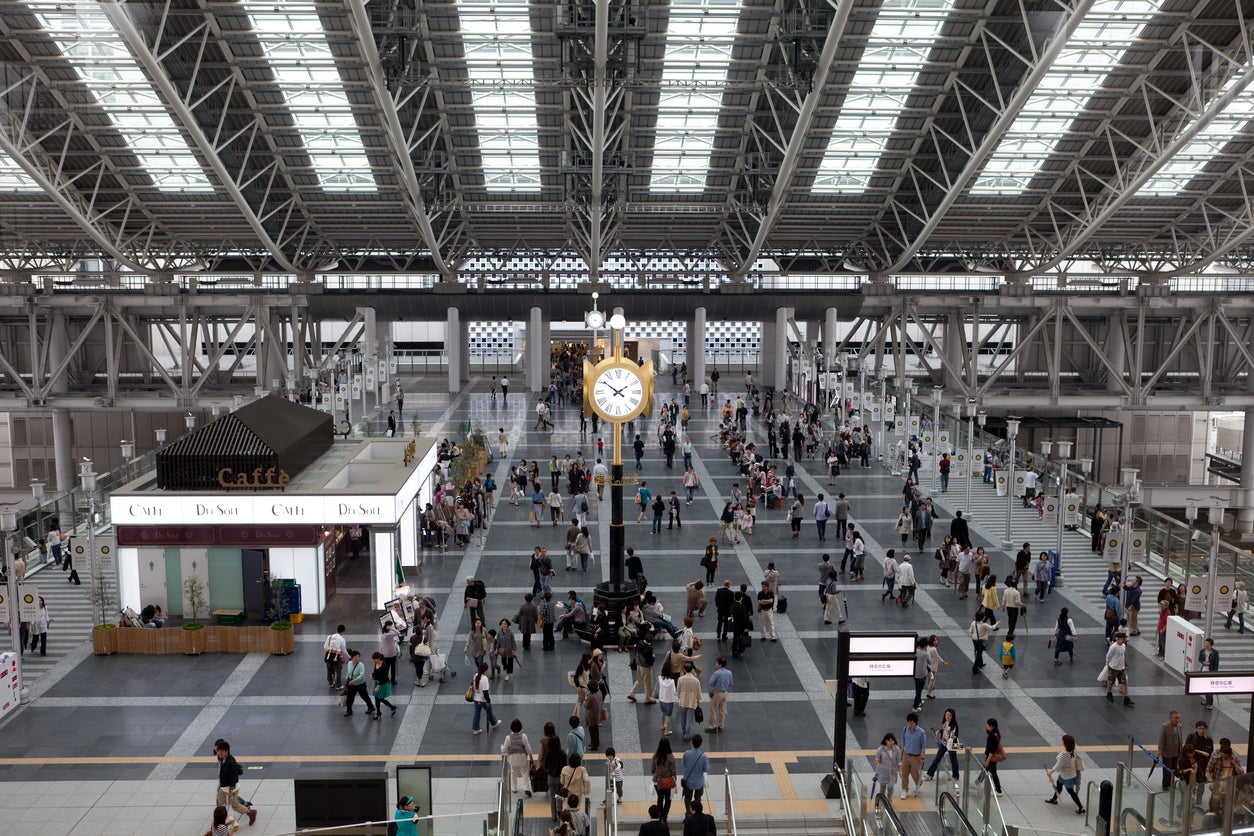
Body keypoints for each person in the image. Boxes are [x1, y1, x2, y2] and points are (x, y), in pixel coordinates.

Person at [213, 740, 257, 826]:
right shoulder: (222, 758)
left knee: (235, 805)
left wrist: (230, 790)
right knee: (220, 805)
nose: (219, 754)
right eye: (218, 752)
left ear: (226, 751)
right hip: (223, 787)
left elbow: (233, 777)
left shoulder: (231, 762)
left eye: (221, 752)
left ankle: (251, 813)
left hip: (231, 788)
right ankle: (219, 822)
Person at [1044, 734, 1086, 814]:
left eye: (1062, 741)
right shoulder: (1073, 750)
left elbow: (1058, 766)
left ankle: (1081, 807)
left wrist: (1050, 772)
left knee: (1071, 792)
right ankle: (1054, 799)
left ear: (1066, 743)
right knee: (1059, 785)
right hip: (1070, 774)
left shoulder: (1064, 755)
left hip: (1066, 776)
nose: (1061, 742)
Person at [924, 708, 961, 790]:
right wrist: (939, 731)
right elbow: (944, 730)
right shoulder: (945, 722)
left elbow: (956, 736)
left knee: (953, 760)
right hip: (944, 743)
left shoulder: (954, 725)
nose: (948, 716)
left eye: (949, 715)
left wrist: (953, 736)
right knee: (937, 758)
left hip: (951, 744)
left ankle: (955, 775)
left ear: (952, 716)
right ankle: (930, 774)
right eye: (946, 714)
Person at [502, 719, 534, 797]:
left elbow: (504, 750)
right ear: (520, 728)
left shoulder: (508, 738)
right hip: (522, 758)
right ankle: (526, 788)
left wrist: (502, 746)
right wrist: (530, 756)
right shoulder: (523, 736)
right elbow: (528, 749)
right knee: (524, 772)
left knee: (513, 771)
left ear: (511, 728)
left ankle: (514, 788)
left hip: (512, 759)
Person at [680, 735, 709, 815]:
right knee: (698, 798)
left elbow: (683, 764)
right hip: (699, 783)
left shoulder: (686, 754)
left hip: (688, 782)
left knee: (687, 798)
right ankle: (697, 813)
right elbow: (706, 769)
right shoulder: (703, 757)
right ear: (701, 744)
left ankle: (688, 813)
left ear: (691, 743)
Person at [1103, 632, 1134, 706]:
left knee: (1124, 682)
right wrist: (1107, 664)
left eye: (1124, 639)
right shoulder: (1113, 647)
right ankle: (1109, 693)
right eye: (1123, 639)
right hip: (1113, 667)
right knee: (1111, 681)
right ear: (1117, 639)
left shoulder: (1123, 645)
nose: (1124, 640)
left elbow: (1123, 655)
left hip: (1121, 668)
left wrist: (1125, 664)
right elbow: (1108, 656)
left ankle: (1126, 698)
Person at [542, 730, 567, 821]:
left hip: (551, 778)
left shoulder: (548, 754)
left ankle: (553, 816)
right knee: (559, 796)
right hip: (560, 778)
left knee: (552, 797)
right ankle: (559, 812)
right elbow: (565, 766)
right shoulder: (563, 754)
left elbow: (545, 766)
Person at [652, 738, 678, 821]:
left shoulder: (655, 756)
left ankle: (659, 816)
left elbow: (652, 769)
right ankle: (664, 817)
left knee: (660, 798)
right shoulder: (671, 757)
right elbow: (673, 771)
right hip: (668, 782)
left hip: (657, 781)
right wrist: (674, 780)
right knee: (668, 799)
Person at [343, 650, 375, 717]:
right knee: (350, 697)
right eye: (355, 657)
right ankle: (349, 710)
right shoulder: (349, 663)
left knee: (364, 696)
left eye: (358, 657)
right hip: (351, 684)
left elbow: (362, 675)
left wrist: (354, 680)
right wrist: (347, 680)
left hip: (360, 684)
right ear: (352, 657)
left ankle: (371, 707)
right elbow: (348, 672)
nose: (357, 658)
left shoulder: (361, 665)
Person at [1157, 710, 1184, 791]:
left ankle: (1171, 783)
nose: (1177, 720)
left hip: (1176, 751)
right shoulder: (1164, 726)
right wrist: (1160, 750)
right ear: (1170, 718)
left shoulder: (1180, 726)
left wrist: (1181, 750)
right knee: (1167, 769)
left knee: (1174, 768)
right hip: (1167, 751)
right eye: (1175, 718)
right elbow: (1162, 739)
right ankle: (1165, 784)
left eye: (1178, 718)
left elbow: (1180, 739)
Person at [471, 662, 500, 734]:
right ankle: (494, 723)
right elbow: (485, 692)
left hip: (476, 698)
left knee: (477, 713)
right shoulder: (484, 679)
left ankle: (475, 729)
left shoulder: (475, 676)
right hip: (483, 700)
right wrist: (488, 701)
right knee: (489, 712)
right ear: (486, 670)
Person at [677, 662, 702, 741]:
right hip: (692, 701)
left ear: (684, 669)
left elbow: (678, 690)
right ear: (691, 670)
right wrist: (698, 701)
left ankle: (684, 731)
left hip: (683, 700)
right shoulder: (696, 680)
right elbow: (698, 692)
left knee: (683, 718)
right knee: (689, 719)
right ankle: (687, 735)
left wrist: (679, 696)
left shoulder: (680, 679)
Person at [706, 657, 732, 732]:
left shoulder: (716, 673)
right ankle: (721, 726)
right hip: (725, 693)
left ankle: (712, 727)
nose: (716, 664)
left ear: (720, 665)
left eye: (717, 662)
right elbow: (730, 683)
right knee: (722, 710)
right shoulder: (729, 672)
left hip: (717, 693)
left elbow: (710, 683)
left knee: (713, 709)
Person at [874, 733, 901, 799]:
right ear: (886, 741)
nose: (891, 742)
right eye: (889, 741)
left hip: (892, 771)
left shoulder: (897, 749)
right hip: (883, 771)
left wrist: (900, 770)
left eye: (892, 741)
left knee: (891, 787)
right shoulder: (881, 749)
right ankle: (882, 799)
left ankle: (889, 799)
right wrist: (877, 761)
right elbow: (877, 758)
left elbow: (899, 761)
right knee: (882, 787)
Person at [982, 718, 1004, 796]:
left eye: (987, 724)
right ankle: (978, 783)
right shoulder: (996, 733)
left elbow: (992, 750)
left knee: (990, 772)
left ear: (992, 726)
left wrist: (988, 760)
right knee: (986, 770)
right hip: (992, 757)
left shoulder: (992, 737)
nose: (986, 725)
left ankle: (998, 790)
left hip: (991, 758)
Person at [1199, 638, 1220, 709]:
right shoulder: (1202, 651)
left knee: (1209, 688)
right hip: (1204, 670)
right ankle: (1207, 700)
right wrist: (1203, 662)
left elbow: (1216, 663)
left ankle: (1210, 703)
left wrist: (1215, 673)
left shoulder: (1215, 653)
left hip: (1211, 671)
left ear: (1211, 645)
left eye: (1207, 644)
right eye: (1205, 644)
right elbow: (1200, 659)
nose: (1206, 645)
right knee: (1205, 687)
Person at [911, 638, 930, 711]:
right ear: (925, 645)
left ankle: (919, 700)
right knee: (919, 690)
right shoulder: (926, 653)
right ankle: (915, 707)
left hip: (915, 673)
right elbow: (930, 662)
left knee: (917, 687)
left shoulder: (916, 651)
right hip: (922, 674)